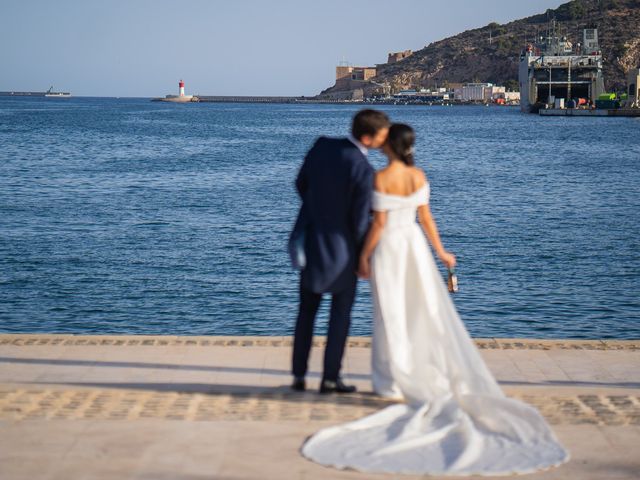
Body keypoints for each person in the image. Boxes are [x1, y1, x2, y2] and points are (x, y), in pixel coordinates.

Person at [301, 124, 569, 475]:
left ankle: (392, 380)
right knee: (419, 310)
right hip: (414, 247)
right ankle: (416, 369)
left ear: (390, 146)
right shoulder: (418, 175)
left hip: (389, 250)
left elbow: (379, 225)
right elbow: (426, 218)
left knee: (389, 314)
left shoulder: (382, 177)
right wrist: (442, 253)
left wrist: (364, 257)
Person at [290, 109, 390, 394]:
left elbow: (300, 184)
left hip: (312, 242)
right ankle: (330, 379)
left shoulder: (322, 146)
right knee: (339, 315)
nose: (385, 141)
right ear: (369, 138)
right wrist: (363, 255)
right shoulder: (362, 169)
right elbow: (360, 220)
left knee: (306, 313)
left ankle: (298, 376)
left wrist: (318, 210)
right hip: (344, 250)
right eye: (383, 136)